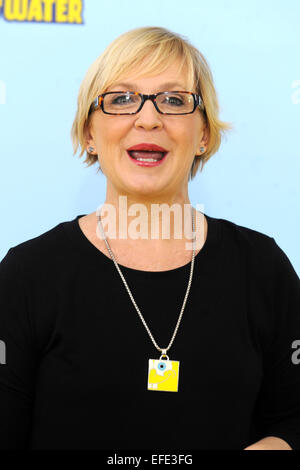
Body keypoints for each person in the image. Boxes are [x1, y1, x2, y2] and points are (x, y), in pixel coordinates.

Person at [0, 26, 300, 451]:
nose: (147, 118)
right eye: (121, 99)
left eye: (174, 100)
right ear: (89, 132)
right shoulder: (28, 274)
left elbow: (292, 418)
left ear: (204, 135)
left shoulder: (262, 268)